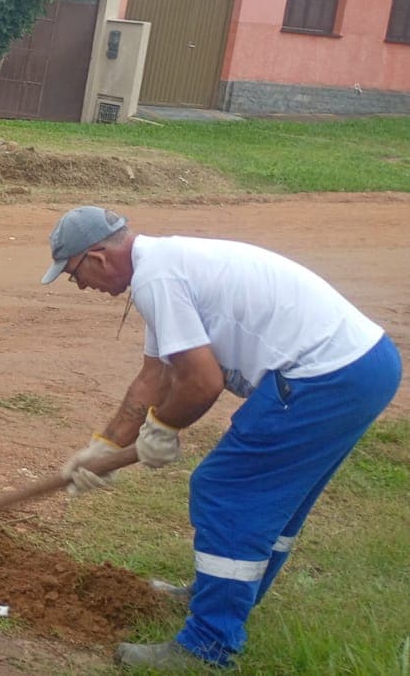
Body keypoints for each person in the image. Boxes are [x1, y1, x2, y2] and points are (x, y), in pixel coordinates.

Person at [44, 206, 401, 670]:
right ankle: (221, 596)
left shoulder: (157, 278)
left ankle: (208, 644)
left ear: (97, 257)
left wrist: (163, 430)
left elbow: (201, 382)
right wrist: (104, 447)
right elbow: (154, 377)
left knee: (226, 489)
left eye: (74, 274)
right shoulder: (163, 265)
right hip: (363, 365)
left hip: (326, 376)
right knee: (271, 501)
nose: (80, 286)